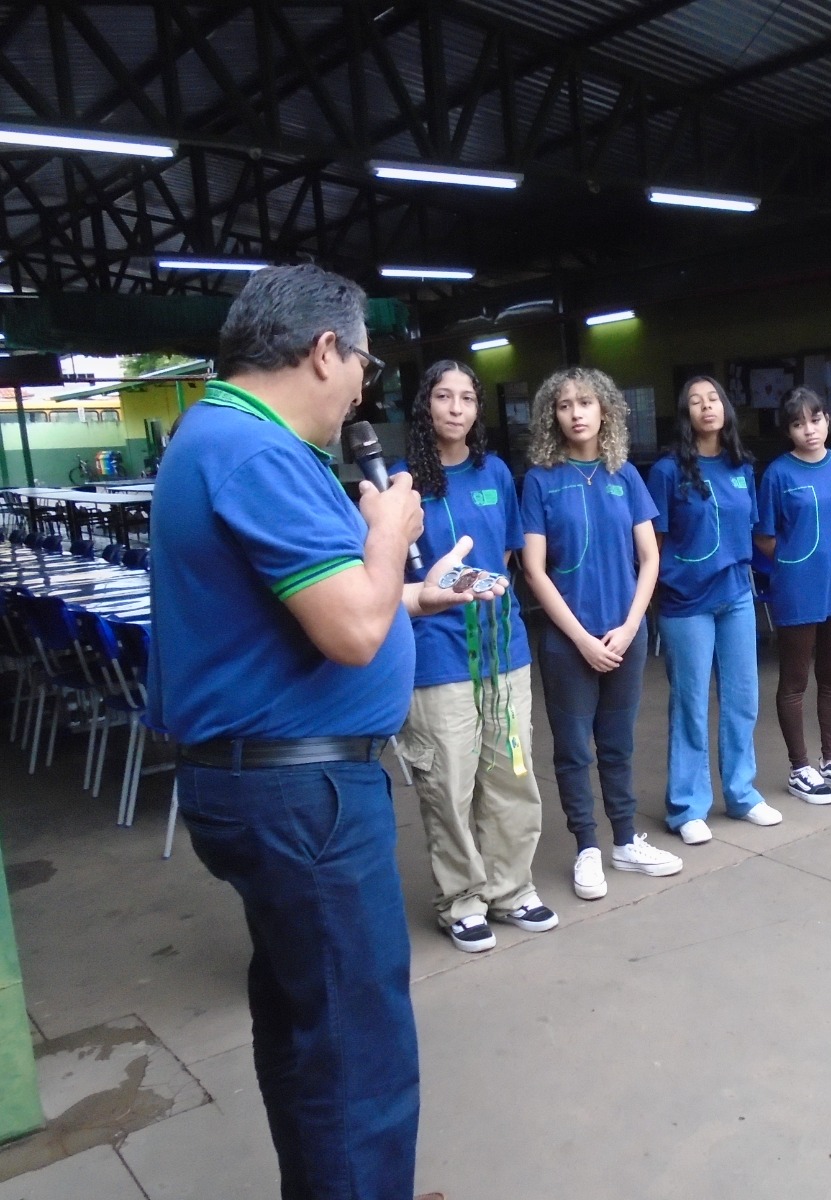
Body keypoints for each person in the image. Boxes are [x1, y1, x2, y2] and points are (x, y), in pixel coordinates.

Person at [149, 263, 492, 1200]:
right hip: (303, 795)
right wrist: (387, 531)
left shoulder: (227, 437)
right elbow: (348, 631)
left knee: (312, 1027)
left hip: (278, 784)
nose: (360, 394)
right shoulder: (255, 452)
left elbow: (318, 610)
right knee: (356, 1051)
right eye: (364, 368)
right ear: (324, 350)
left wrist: (411, 594)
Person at [394, 359, 556, 953]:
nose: (456, 408)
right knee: (449, 784)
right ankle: (462, 900)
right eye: (444, 396)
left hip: (502, 650)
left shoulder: (496, 473)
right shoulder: (400, 484)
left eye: (466, 398)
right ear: (426, 405)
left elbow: (506, 557)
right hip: (437, 655)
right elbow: (386, 574)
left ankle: (511, 889)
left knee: (512, 774)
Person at [521, 366, 683, 901]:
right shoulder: (541, 480)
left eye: (586, 402)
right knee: (573, 750)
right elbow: (534, 570)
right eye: (565, 405)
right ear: (553, 415)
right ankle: (587, 847)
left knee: (618, 744)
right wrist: (582, 640)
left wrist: (631, 626)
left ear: (605, 410)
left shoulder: (625, 475)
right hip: (569, 642)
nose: (576, 413)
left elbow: (649, 557)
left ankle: (625, 841)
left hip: (625, 635)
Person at [648, 375, 782, 846]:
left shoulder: (741, 466)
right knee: (690, 704)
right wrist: (657, 591)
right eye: (695, 401)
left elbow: (753, 530)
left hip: (737, 594)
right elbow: (651, 545)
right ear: (684, 414)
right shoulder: (667, 472)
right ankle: (687, 807)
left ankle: (742, 793)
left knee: (743, 698)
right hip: (687, 602)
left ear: (725, 408)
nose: (707, 407)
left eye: (713, 399)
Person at [755, 386, 831, 803]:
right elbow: (764, 535)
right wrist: (795, 563)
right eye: (798, 423)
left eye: (816, 419)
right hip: (797, 589)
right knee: (794, 680)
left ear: (828, 420)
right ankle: (799, 767)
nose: (809, 430)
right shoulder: (778, 474)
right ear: (788, 430)